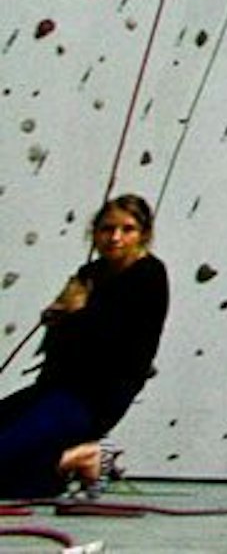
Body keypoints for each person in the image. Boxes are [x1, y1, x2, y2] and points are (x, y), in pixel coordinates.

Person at [0, 194, 170, 497]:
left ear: (144, 234)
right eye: (107, 229)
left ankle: (80, 457)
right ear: (94, 232)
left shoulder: (150, 277)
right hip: (54, 388)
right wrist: (56, 316)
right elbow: (65, 341)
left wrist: (77, 313)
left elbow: (113, 342)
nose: (115, 237)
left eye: (127, 229)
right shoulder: (90, 273)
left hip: (94, 397)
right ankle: (64, 467)